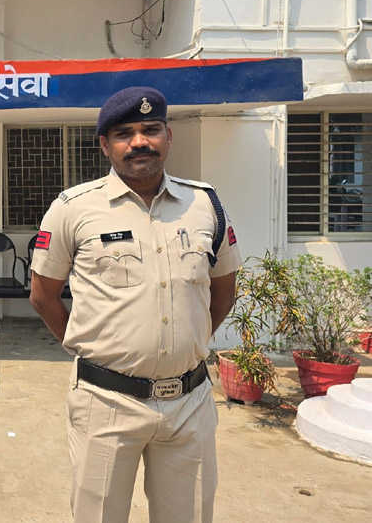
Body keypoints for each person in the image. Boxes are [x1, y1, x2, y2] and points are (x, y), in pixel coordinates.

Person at [29, 87, 242, 523]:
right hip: (106, 403)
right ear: (105, 145)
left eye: (151, 129)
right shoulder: (73, 208)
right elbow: (43, 295)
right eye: (124, 133)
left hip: (190, 403)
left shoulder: (205, 204)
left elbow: (223, 289)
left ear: (169, 136)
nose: (139, 141)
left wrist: (189, 342)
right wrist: (90, 350)